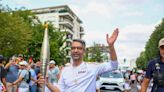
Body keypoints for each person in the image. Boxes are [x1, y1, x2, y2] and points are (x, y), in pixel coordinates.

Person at [38, 28, 119, 92]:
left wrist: (111, 46)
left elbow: (113, 65)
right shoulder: (65, 70)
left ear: (84, 51)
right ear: (71, 51)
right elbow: (59, 90)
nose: (75, 50)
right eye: (73, 48)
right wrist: (47, 83)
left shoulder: (92, 68)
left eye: (79, 48)